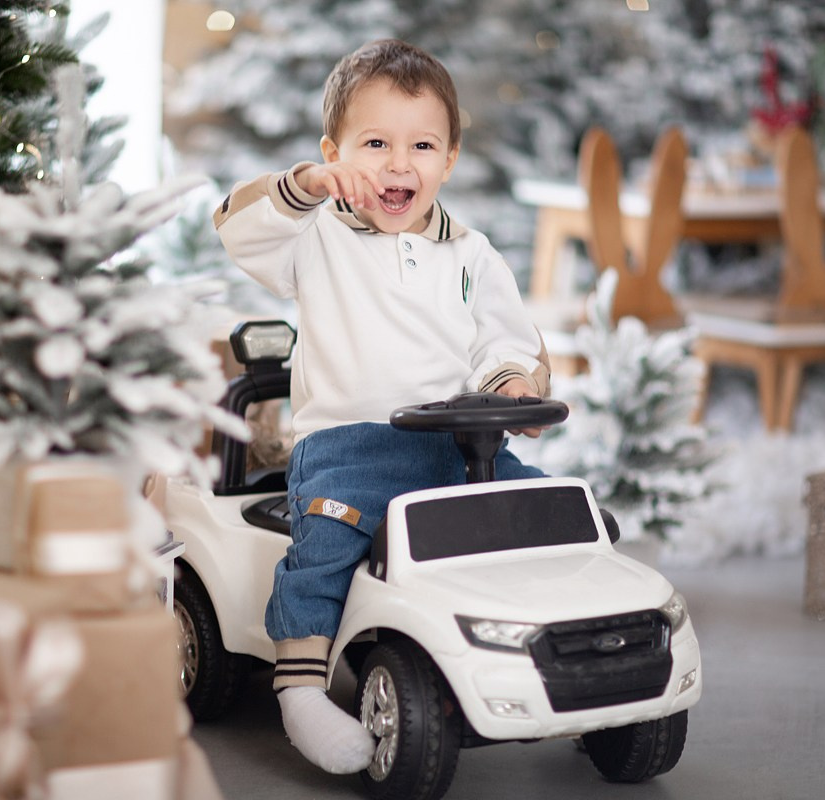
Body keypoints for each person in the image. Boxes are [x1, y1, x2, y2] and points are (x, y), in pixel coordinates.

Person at [213, 38, 552, 775]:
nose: (400, 164)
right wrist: (306, 187)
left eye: (421, 145)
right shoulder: (317, 237)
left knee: (542, 514)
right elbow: (236, 224)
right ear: (334, 153)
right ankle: (301, 689)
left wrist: (513, 388)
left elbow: (504, 343)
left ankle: (556, 650)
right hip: (347, 449)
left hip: (459, 448)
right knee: (327, 543)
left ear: (449, 159)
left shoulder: (471, 253)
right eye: (375, 144)